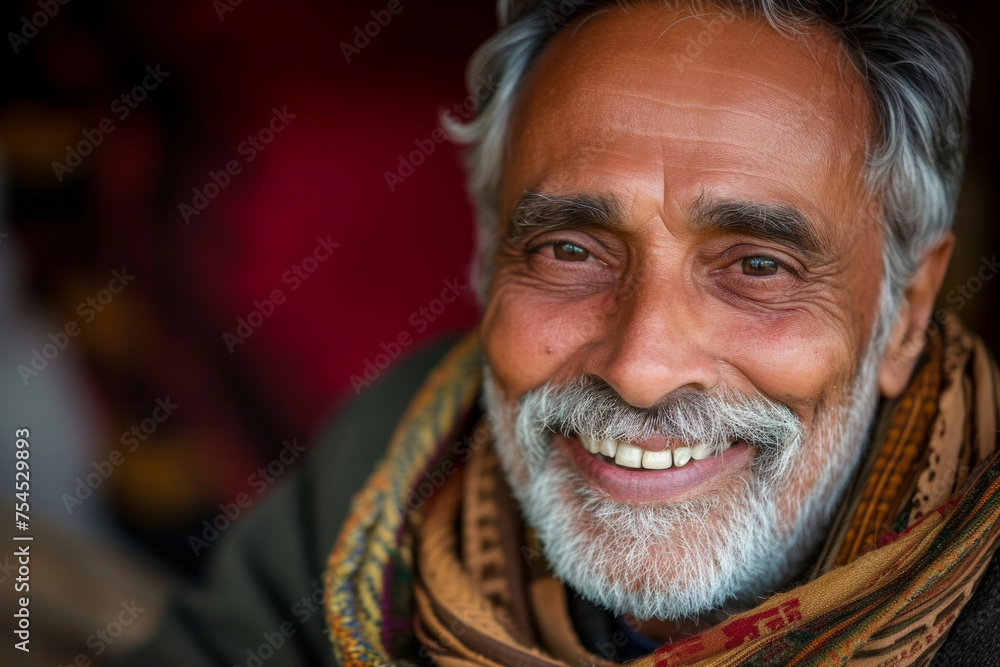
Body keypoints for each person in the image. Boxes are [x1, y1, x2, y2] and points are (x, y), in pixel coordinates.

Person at [115, 1, 1000, 665]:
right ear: (489, 263)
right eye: (571, 249)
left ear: (906, 313)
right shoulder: (397, 453)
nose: (643, 367)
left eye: (757, 266)